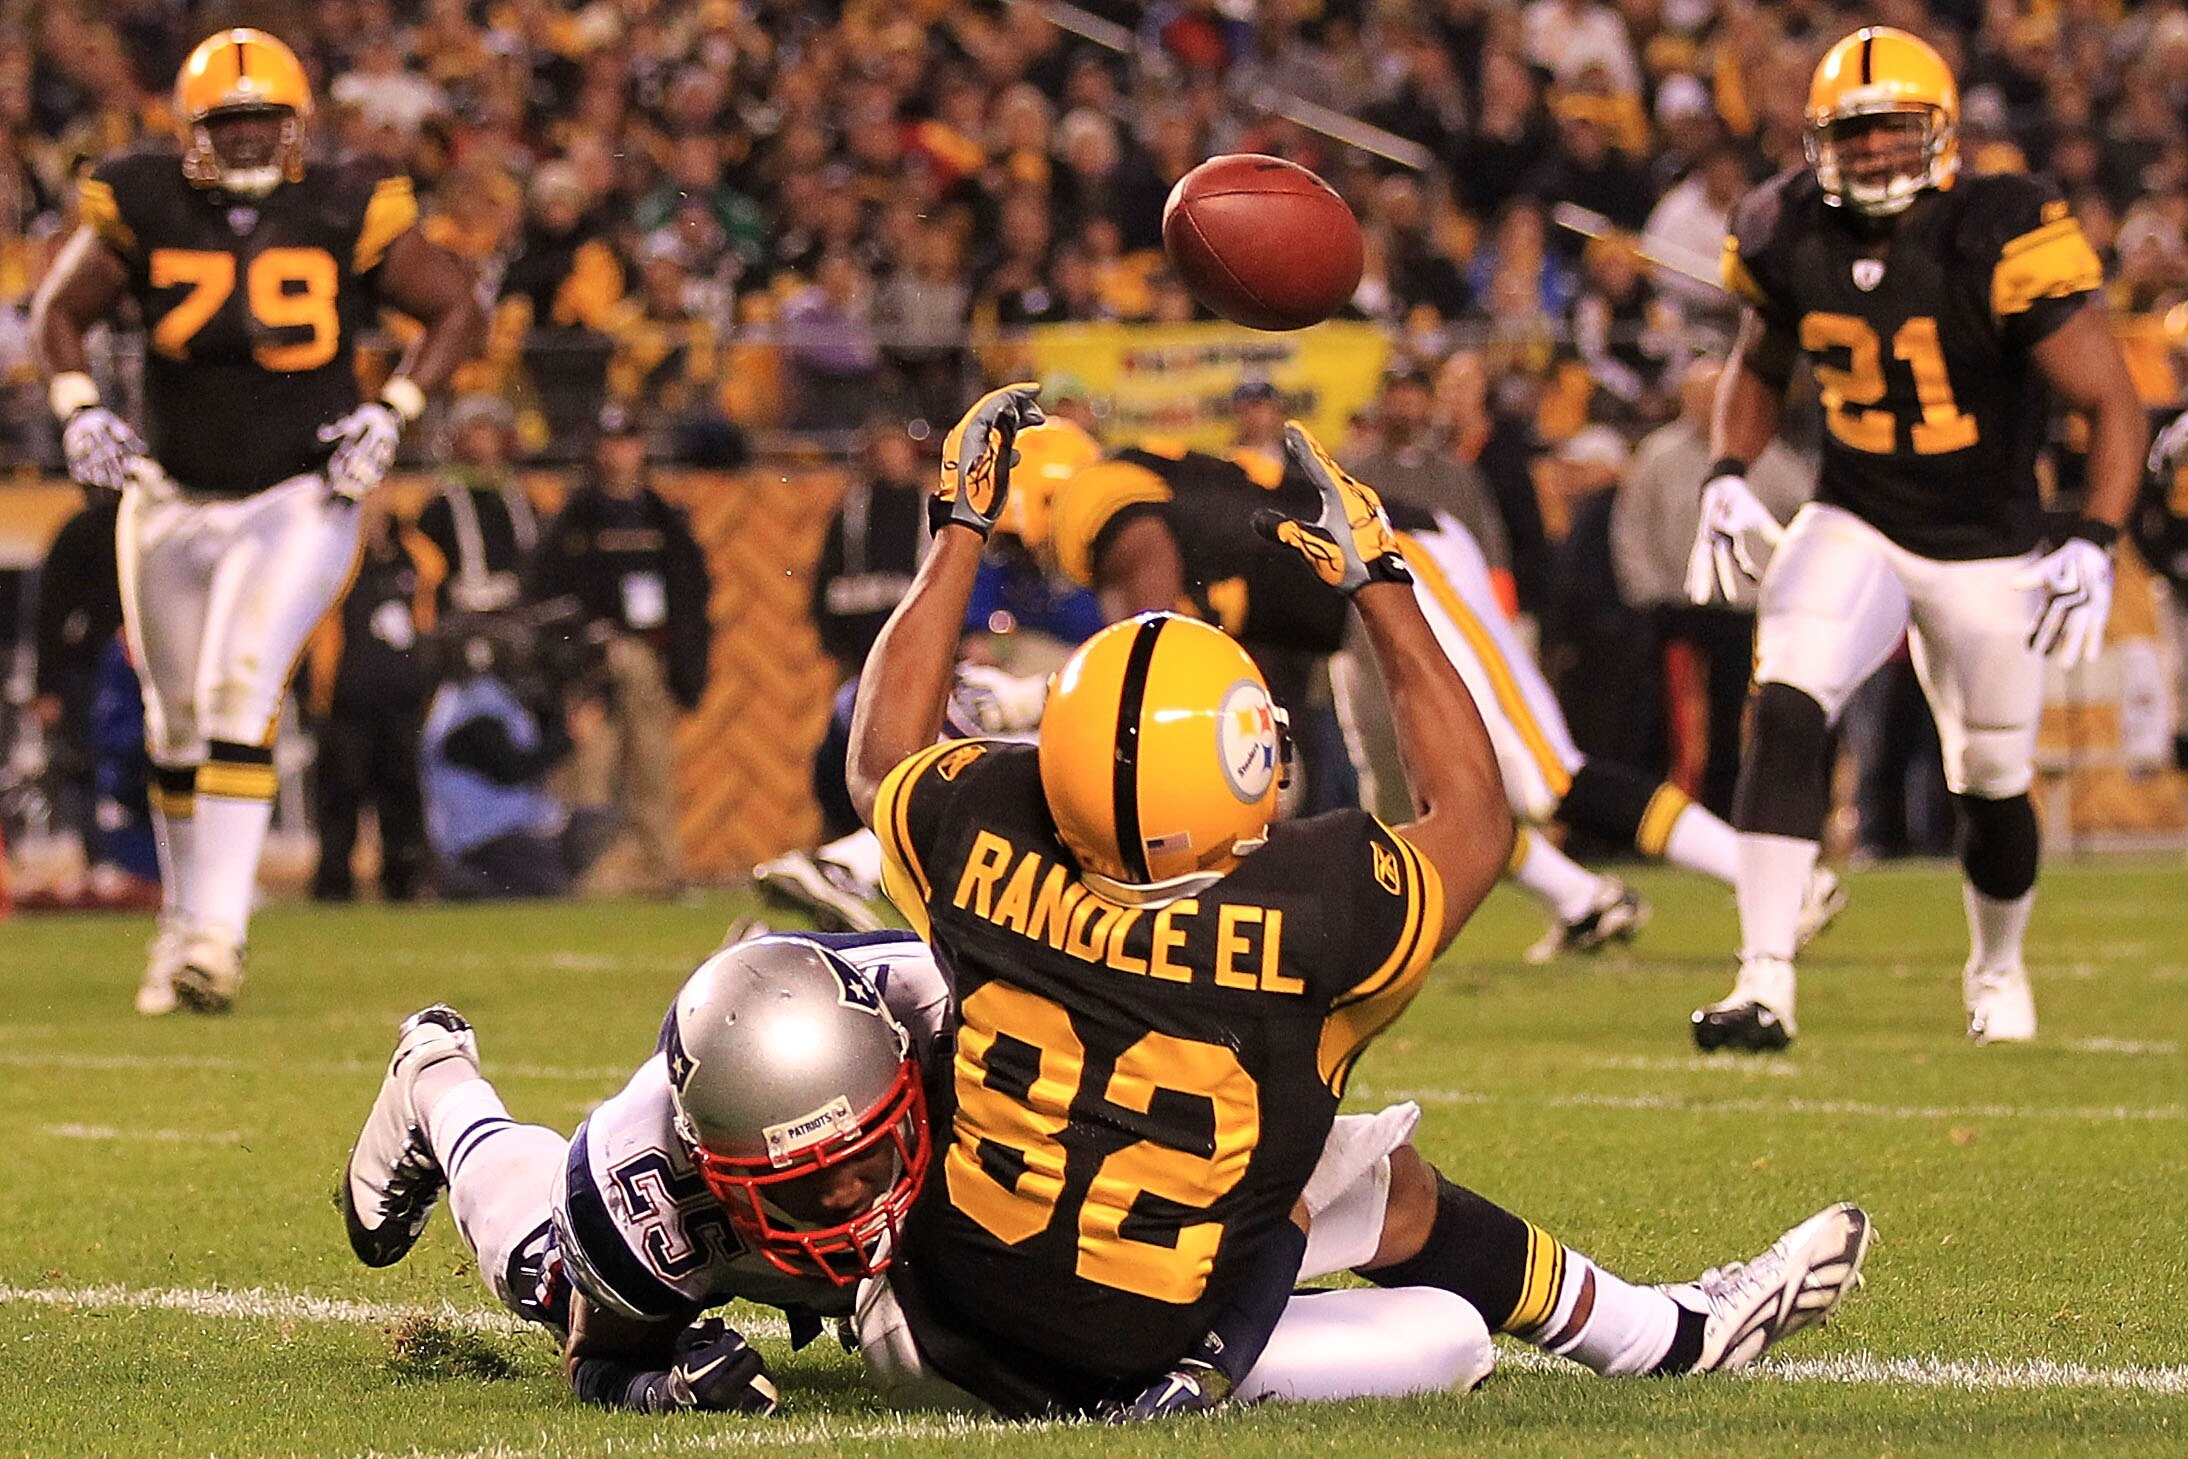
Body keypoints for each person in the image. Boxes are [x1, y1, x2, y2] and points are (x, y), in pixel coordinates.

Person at [842, 387, 1869, 1418]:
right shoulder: (1318, 905)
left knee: (1371, 1176)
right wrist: (1379, 583)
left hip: (928, 1324)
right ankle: (1660, 1336)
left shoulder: (974, 833)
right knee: (1450, 1335)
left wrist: (957, 530)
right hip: (1130, 1349)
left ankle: (1671, 1334)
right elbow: (1473, 815)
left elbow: (883, 752)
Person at [1686, 27, 2146, 1051]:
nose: (1876, 151)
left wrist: (2095, 535)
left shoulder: (2001, 227)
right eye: (1853, 133)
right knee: (1786, 698)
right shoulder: (1782, 227)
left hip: (1986, 542)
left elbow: (2112, 402)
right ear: (1817, 142)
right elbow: (1759, 365)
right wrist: (1725, 472)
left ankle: (1996, 967)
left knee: (1989, 777)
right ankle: (1762, 980)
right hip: (1855, 513)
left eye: (1894, 127)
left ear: (1938, 129)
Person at [31, 28, 484, 1014]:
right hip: (171, 493)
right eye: (225, 125)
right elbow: (57, 311)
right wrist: (76, 406)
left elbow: (456, 306)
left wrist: (392, 410)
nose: (242, 143)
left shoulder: (343, 202)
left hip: (298, 492)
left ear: (296, 128)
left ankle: (217, 941)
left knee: (241, 693)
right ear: (191, 131)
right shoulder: (143, 201)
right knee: (176, 720)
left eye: (260, 124)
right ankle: (184, 927)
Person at [1036, 413, 1841, 963]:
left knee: (1543, 772)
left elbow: (1144, 617)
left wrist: (1058, 696)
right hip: (1346, 613)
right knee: (1428, 795)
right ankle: (1584, 901)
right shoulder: (1161, 497)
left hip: (1399, 559)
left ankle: (1778, 879)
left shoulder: (1095, 495)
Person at [339, 931, 950, 1414]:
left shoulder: (964, 1025)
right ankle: (439, 1084)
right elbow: (595, 1363)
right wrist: (665, 1391)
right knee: (547, 1273)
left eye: (862, 1152)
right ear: (708, 1161)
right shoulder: (641, 1177)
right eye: (797, 1180)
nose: (846, 1193)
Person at [1611, 359, 1812, 818]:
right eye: (1701, 394)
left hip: (1744, 610)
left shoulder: (1764, 455)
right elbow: (1632, 532)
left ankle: (1730, 813)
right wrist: (1648, 596)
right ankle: (1676, 815)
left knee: (1739, 720)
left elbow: (1807, 509)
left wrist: (1786, 580)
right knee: (1679, 721)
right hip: (1680, 610)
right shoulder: (1658, 456)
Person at [527, 403, 711, 897]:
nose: (618, 453)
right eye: (609, 443)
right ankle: (584, 878)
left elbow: (693, 597)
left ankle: (661, 874)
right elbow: (545, 596)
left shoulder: (663, 518)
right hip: (593, 671)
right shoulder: (572, 520)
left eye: (627, 441)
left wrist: (685, 665)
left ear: (641, 448)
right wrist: (584, 644)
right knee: (590, 773)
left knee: (652, 772)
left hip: (652, 664)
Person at [302, 492, 437, 903]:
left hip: (399, 703)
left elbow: (433, 575)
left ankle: (404, 884)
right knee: (341, 799)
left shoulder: (408, 556)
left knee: (401, 799)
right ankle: (333, 887)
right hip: (346, 703)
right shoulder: (336, 557)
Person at [414, 394, 539, 615]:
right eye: (474, 432)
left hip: (515, 608)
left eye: (490, 432)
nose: (483, 442)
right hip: (462, 611)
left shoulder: (518, 497)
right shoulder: (443, 501)